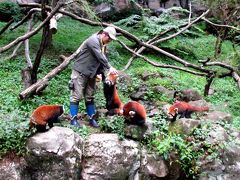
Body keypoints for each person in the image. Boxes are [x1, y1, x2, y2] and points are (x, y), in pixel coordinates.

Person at [69, 26, 118, 128]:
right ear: (104, 34)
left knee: (90, 96)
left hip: (91, 74)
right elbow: (100, 57)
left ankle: (92, 119)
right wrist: (110, 67)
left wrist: (102, 73)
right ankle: (73, 120)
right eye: (109, 38)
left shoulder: (103, 45)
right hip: (80, 72)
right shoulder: (93, 40)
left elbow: (100, 60)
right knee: (76, 96)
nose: (110, 41)